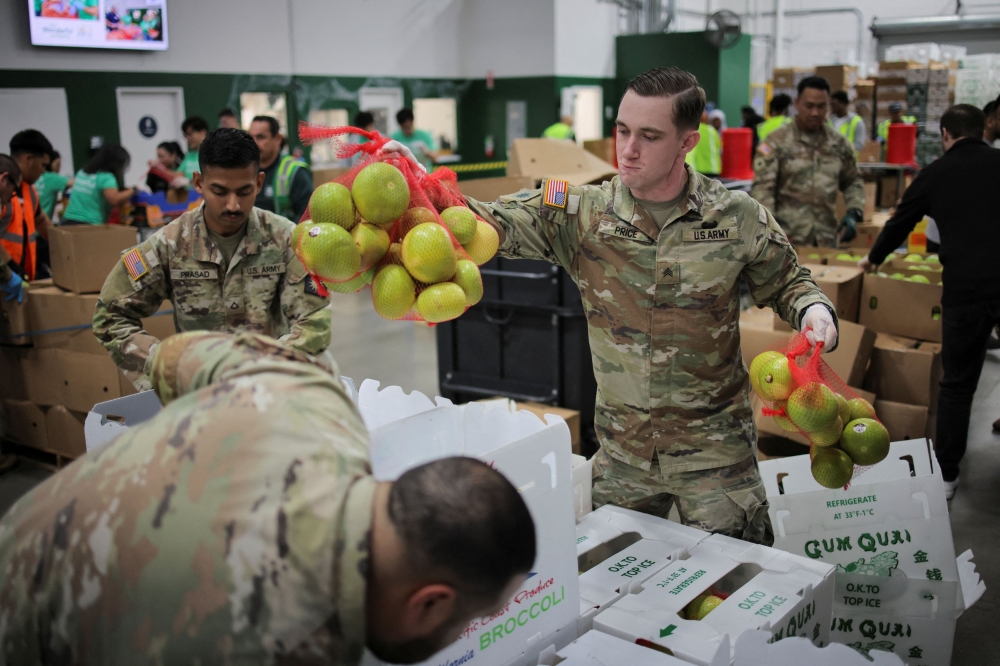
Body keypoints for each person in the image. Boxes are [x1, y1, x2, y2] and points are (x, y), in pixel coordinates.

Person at [398, 67, 838, 545]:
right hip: (624, 456)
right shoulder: (582, 213)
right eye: (622, 130)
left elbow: (790, 282)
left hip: (716, 457)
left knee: (736, 590)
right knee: (608, 586)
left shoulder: (736, 218)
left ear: (687, 142)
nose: (627, 149)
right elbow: (488, 220)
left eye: (649, 136)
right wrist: (421, 186)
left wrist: (814, 310)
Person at [0, 330, 536, 665]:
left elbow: (176, 356)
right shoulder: (284, 644)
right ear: (431, 603)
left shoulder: (314, 395)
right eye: (471, 619)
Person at [92, 128, 331, 390]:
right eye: (219, 191)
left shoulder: (284, 238)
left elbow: (314, 316)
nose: (232, 205)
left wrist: (274, 362)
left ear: (259, 183)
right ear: (198, 182)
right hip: (199, 395)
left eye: (244, 191)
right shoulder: (170, 245)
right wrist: (163, 362)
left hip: (271, 389)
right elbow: (110, 315)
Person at [858, 105, 1000, 499]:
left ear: (945, 134)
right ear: (982, 131)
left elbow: (900, 222)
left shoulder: (935, 173)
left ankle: (948, 474)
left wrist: (872, 258)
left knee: (957, 385)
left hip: (965, 291)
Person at [751, 76, 865, 247]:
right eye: (809, 106)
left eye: (821, 106)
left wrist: (853, 211)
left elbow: (852, 180)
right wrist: (771, 231)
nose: (815, 113)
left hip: (826, 240)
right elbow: (763, 190)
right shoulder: (777, 142)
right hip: (787, 242)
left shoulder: (838, 144)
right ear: (796, 104)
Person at [2, 130, 54, 282]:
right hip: (5, 274)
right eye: (42, 165)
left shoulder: (29, 191)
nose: (43, 172)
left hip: (20, 277)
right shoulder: (3, 187)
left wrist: (64, 244)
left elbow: (40, 221)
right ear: (28, 159)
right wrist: (9, 266)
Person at [250, 115, 314, 222]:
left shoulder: (296, 172)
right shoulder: (243, 171)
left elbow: (306, 216)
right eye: (250, 137)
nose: (254, 143)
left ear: (278, 139)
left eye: (260, 137)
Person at [61, 143, 134, 226]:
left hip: (67, 222)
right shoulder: (106, 177)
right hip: (88, 224)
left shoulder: (83, 172)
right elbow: (114, 199)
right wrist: (133, 190)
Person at [34, 150, 71, 219]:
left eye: (60, 165)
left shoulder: (37, 176)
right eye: (58, 164)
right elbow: (74, 183)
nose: (59, 168)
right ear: (49, 163)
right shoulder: (52, 177)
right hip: (42, 224)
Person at [685, 110, 722, 176]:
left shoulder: (691, 131)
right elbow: (719, 148)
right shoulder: (712, 130)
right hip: (714, 168)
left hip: (698, 168)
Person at [179, 115, 209, 181]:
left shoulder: (213, 153)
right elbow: (178, 175)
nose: (187, 138)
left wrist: (189, 182)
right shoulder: (189, 156)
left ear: (202, 133)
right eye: (186, 135)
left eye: (190, 134)